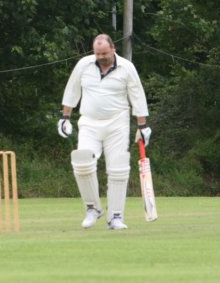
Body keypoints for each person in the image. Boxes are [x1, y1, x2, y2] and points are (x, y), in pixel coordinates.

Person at [58, 34, 151, 230]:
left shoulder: (126, 67)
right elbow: (72, 90)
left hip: (118, 122)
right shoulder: (84, 64)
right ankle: (93, 208)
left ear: (113, 49)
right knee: (82, 161)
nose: (100, 57)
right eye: (97, 53)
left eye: (104, 53)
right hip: (89, 122)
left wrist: (142, 126)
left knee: (118, 168)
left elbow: (137, 96)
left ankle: (116, 216)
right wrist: (65, 117)